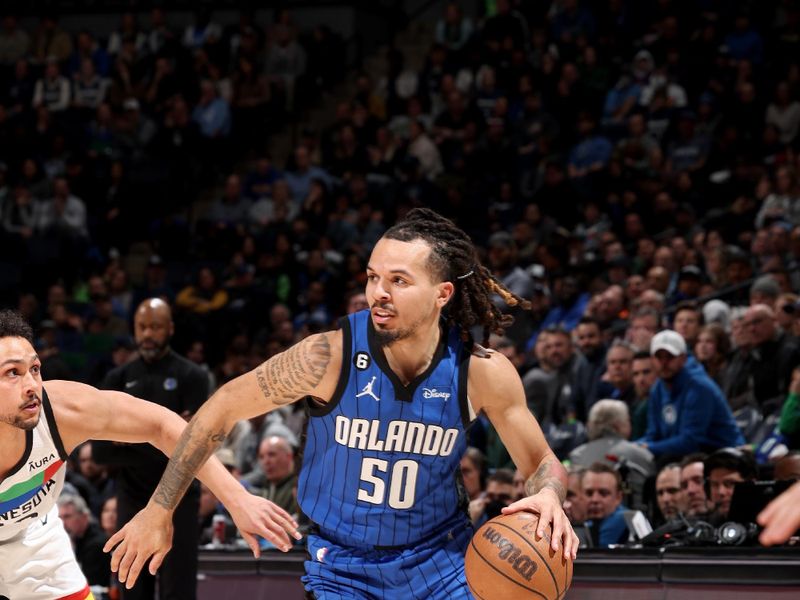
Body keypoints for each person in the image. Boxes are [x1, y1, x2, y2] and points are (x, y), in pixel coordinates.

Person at [106, 208, 579, 597]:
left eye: (399, 280)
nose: (379, 293)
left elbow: (541, 462)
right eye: (374, 277)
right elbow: (220, 408)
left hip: (443, 567)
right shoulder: (326, 356)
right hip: (342, 569)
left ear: (442, 294)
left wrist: (549, 494)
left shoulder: (481, 371)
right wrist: (160, 508)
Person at [0, 310, 295, 600]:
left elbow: (164, 425)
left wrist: (236, 498)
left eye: (35, 369)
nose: (31, 386)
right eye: (13, 373)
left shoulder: (61, 410)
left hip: (33, 541)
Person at [91, 298, 212, 600]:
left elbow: (194, 450)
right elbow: (101, 454)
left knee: (179, 589)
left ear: (170, 329)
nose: (148, 334)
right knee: (132, 586)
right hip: (132, 496)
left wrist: (129, 439)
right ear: (133, 329)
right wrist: (166, 439)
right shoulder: (116, 379)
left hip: (180, 497)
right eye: (142, 327)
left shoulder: (193, 377)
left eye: (156, 327)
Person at [638, 330, 744, 458]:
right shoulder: (658, 388)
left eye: (670, 357)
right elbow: (653, 434)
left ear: (683, 358)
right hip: (689, 454)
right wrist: (635, 447)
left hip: (723, 454)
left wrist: (649, 448)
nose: (664, 363)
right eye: (659, 357)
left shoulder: (699, 387)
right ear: (652, 360)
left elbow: (690, 441)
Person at [57, 493, 111, 589]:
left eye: (67, 517)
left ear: (84, 517)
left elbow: (89, 584)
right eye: (59, 518)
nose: (62, 523)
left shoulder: (97, 545)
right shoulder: (70, 539)